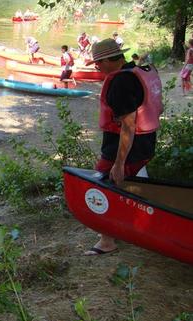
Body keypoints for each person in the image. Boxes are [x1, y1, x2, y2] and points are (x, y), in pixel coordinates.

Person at [84, 38, 163, 255]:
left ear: (110, 60)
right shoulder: (138, 72)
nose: (97, 67)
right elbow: (159, 107)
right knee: (132, 185)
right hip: (146, 143)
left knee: (102, 187)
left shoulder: (120, 83)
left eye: (99, 63)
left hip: (126, 148)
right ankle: (138, 226)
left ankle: (107, 241)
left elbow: (128, 126)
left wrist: (118, 163)